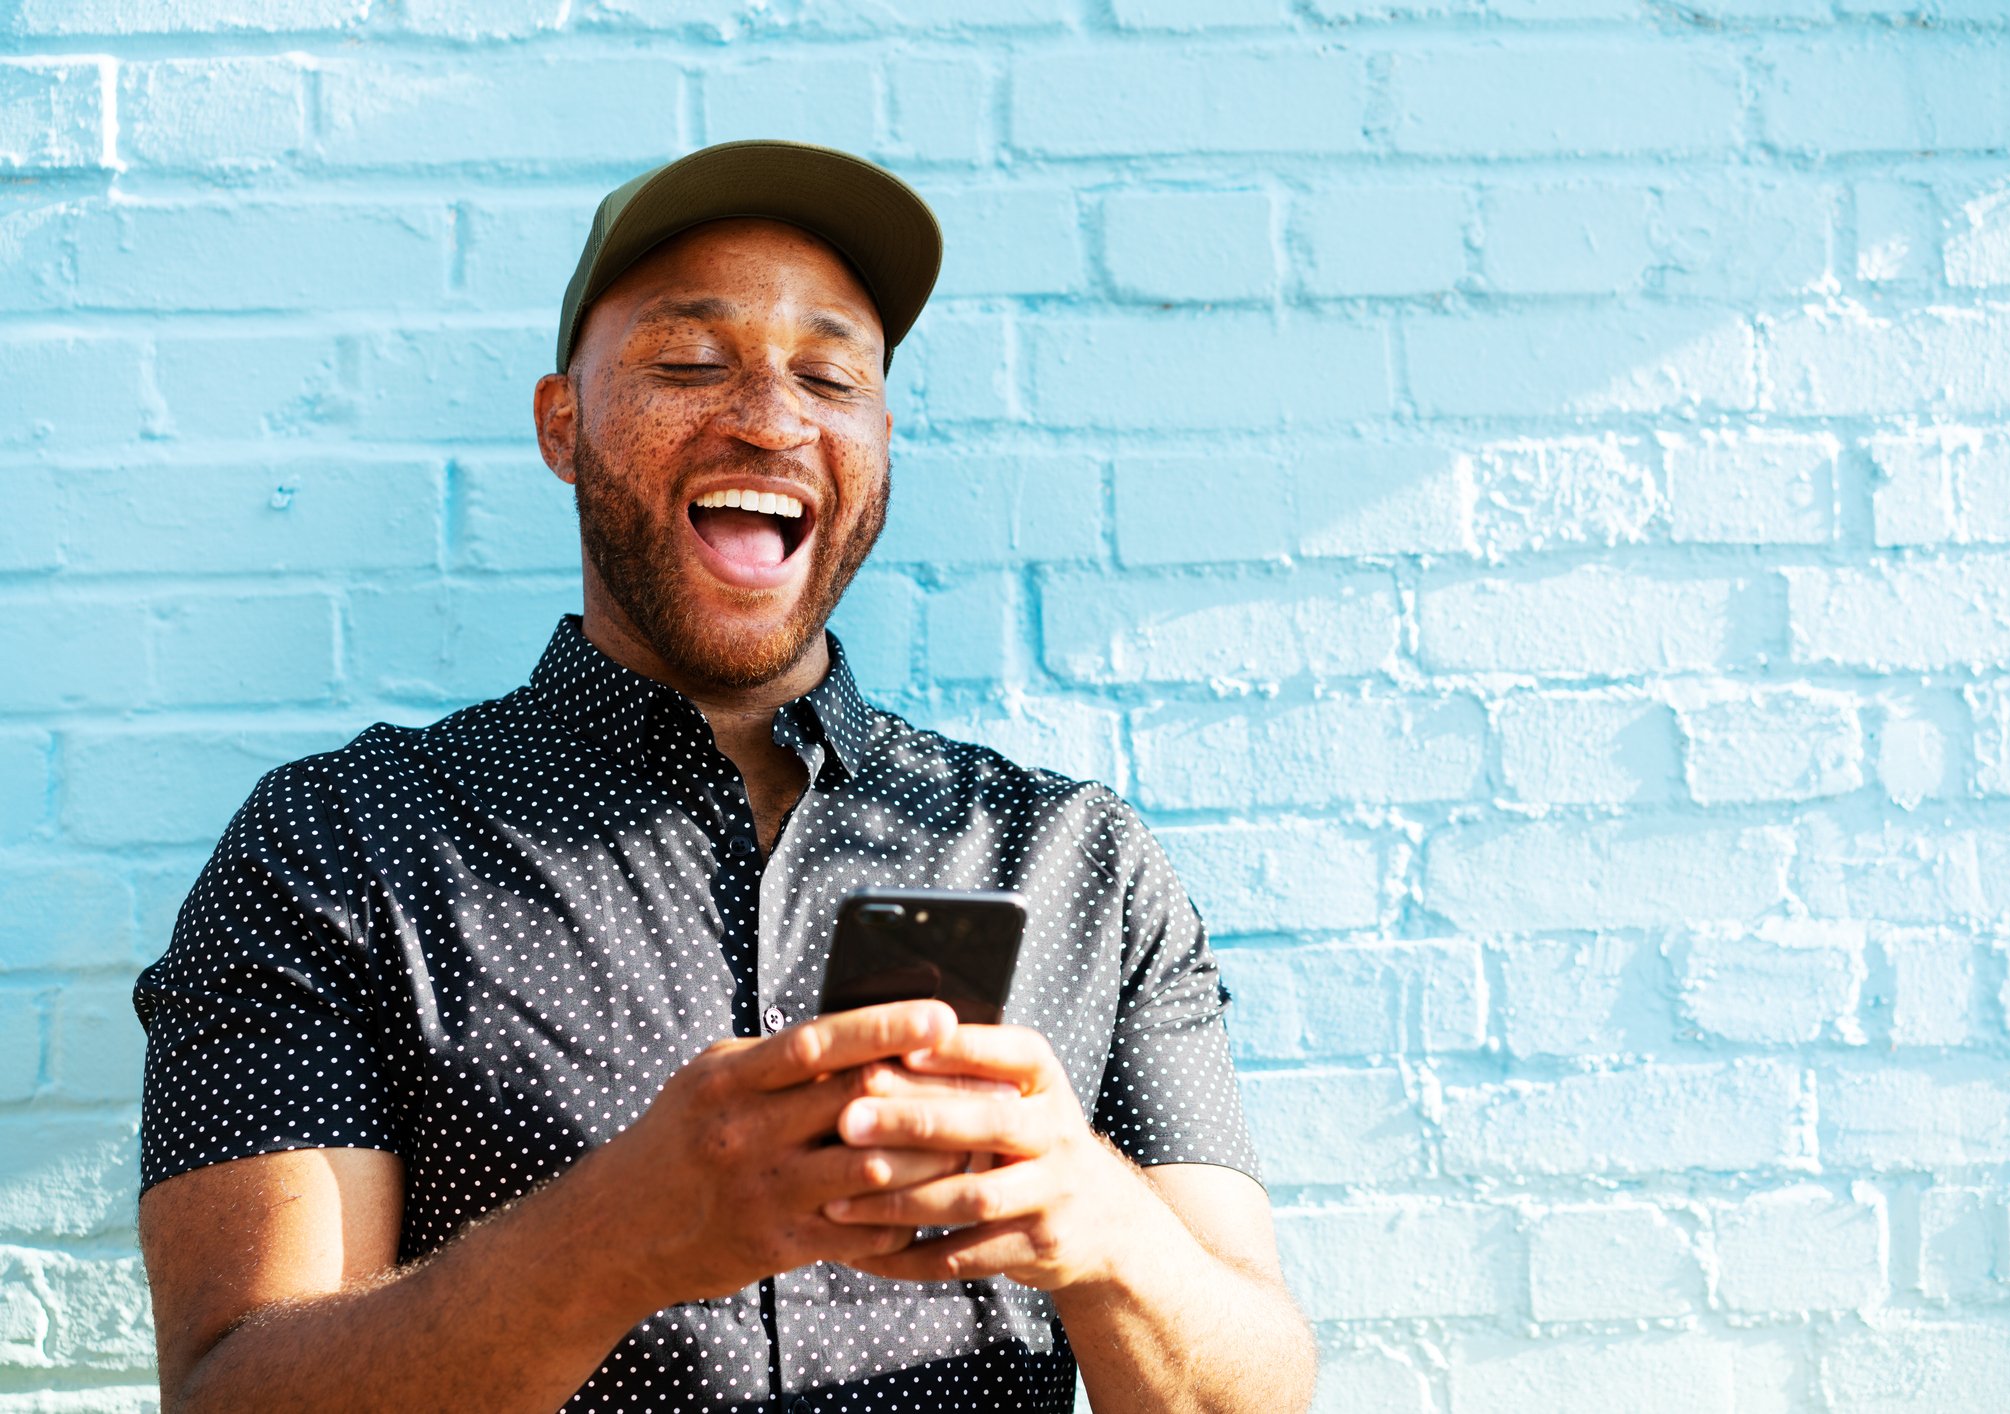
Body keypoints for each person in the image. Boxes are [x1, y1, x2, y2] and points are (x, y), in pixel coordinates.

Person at [133, 140, 1316, 1412]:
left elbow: (1246, 1384)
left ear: (877, 438)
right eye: (690, 361)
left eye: (828, 372)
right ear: (560, 425)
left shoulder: (1080, 862)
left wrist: (1099, 1225)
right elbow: (231, 1390)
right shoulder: (335, 847)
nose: (769, 415)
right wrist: (614, 1236)